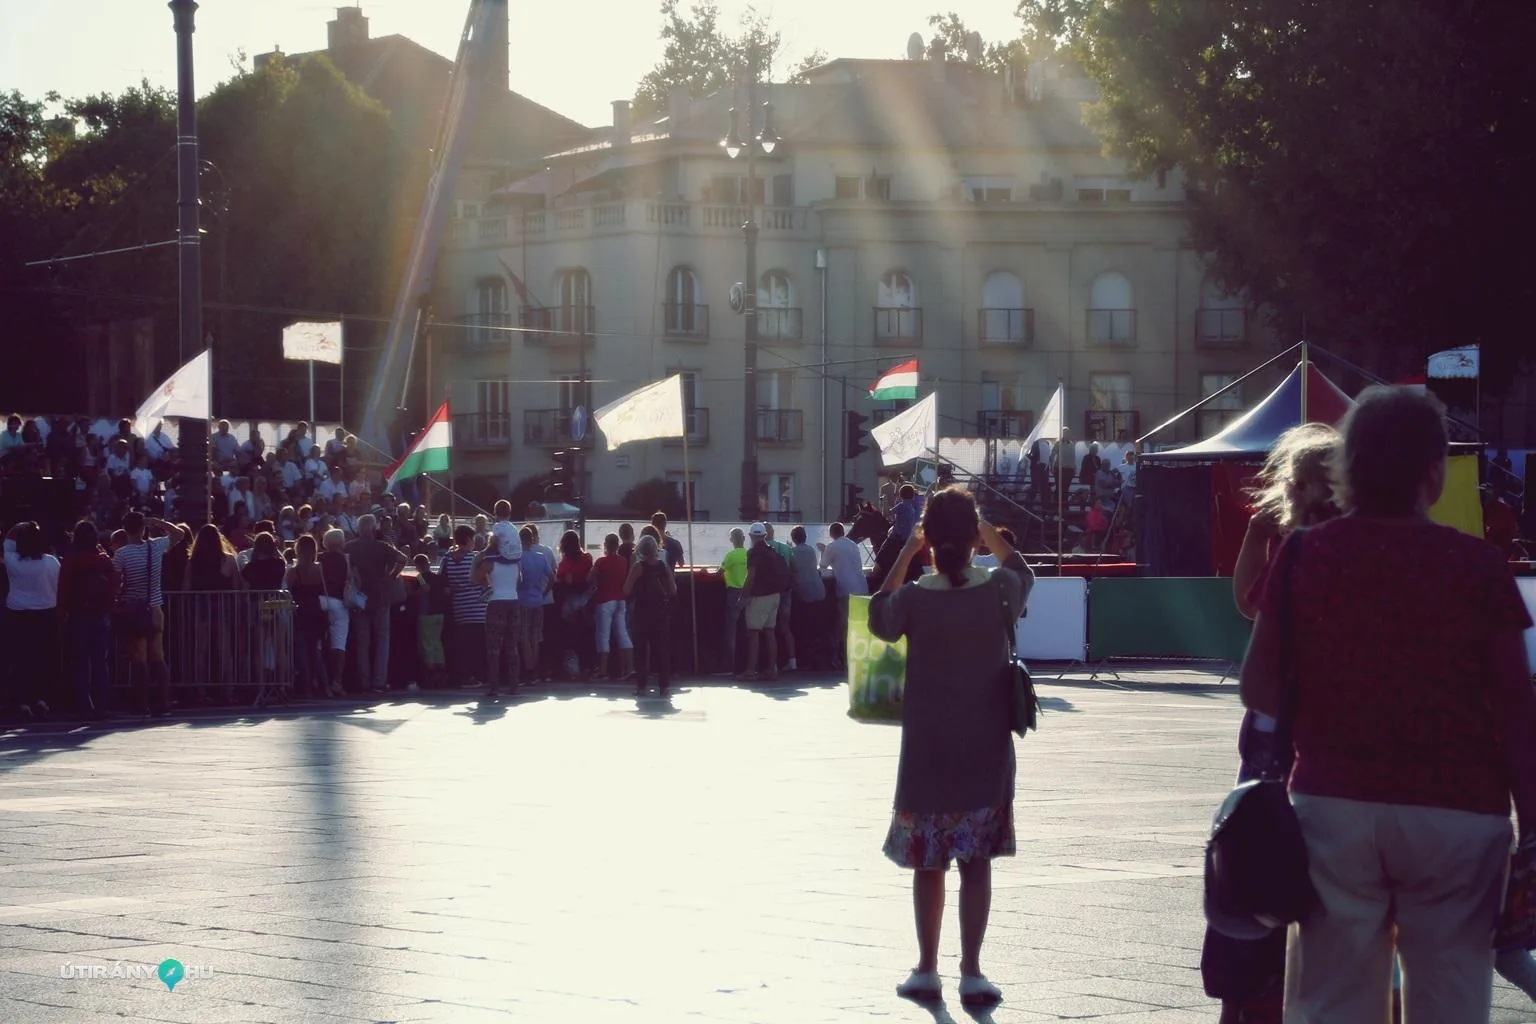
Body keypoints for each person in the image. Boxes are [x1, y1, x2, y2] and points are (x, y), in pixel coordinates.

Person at [1239, 387, 1536, 1022]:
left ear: (1349, 470)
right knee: (1451, 1000)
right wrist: (1533, 821)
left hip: (1334, 804)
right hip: (1459, 813)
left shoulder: (1303, 556)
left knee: (1331, 1001)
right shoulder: (1479, 566)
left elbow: (1257, 687)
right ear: (1434, 473)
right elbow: (1517, 709)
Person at [868, 487, 1033, 1008]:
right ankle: (973, 972)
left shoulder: (916, 598)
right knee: (976, 863)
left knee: (929, 864)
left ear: (931, 541)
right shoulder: (999, 591)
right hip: (985, 751)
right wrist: (983, 529)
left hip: (927, 754)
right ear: (973, 539)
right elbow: (1022, 570)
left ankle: (926, 968)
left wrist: (906, 551)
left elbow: (878, 615)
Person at [57, 519, 117, 718]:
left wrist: (64, 609)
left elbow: (64, 587)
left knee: (81, 662)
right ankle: (104, 704)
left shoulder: (71, 560)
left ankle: (84, 705)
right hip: (100, 614)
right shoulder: (103, 560)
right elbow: (114, 585)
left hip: (78, 613)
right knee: (101, 661)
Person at [4, 521, 61, 721]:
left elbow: (7, 541)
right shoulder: (52, 562)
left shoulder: (13, 561)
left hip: (19, 613)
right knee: (43, 658)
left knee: (21, 659)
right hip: (46, 613)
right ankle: (41, 699)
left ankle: (22, 701)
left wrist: (20, 526)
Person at [346, 514, 407, 694]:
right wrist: (392, 576)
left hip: (359, 596)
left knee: (362, 641)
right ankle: (379, 680)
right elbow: (402, 558)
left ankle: (363, 681)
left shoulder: (350, 546)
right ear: (373, 529)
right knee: (382, 639)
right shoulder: (382, 546)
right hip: (381, 596)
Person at [475, 507, 522, 700]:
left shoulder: (490, 562)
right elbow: (519, 580)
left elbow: (475, 578)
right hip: (513, 601)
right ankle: (514, 684)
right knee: (512, 646)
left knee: (494, 648)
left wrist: (478, 561)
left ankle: (494, 686)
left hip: (496, 603)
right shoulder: (516, 561)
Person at [624, 533, 677, 697]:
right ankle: (664, 687)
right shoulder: (663, 566)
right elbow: (673, 589)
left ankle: (642, 687)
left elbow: (626, 589)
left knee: (641, 651)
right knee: (662, 650)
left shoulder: (638, 567)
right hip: (661, 611)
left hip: (641, 611)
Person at [737, 522, 788, 681]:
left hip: (759, 596)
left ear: (751, 536)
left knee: (754, 633)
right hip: (775, 596)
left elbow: (751, 576)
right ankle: (772, 669)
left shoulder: (753, 553)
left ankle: (751, 671)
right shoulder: (772, 551)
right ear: (765, 535)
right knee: (770, 632)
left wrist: (743, 596)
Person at [440, 524, 486, 687]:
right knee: (477, 645)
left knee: (463, 644)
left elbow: (442, 580)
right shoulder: (475, 557)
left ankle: (464, 676)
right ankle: (475, 676)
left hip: (459, 608)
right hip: (477, 609)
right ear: (467, 540)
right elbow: (484, 580)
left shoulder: (447, 559)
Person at [819, 521, 869, 669]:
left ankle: (847, 659)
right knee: (860, 624)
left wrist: (823, 550)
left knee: (845, 626)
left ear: (831, 534)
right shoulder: (853, 544)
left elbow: (822, 566)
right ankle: (861, 656)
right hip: (862, 588)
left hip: (846, 590)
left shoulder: (833, 547)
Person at [286, 535, 330, 698]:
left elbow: (288, 591)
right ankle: (325, 686)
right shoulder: (319, 569)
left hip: (300, 611)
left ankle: (306, 688)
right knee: (315, 651)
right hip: (316, 610)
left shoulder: (294, 571)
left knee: (302, 650)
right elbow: (323, 590)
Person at [590, 533, 633, 681]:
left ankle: (602, 671)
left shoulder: (601, 562)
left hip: (604, 600)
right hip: (620, 599)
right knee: (623, 633)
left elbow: (590, 578)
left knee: (603, 635)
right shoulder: (623, 561)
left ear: (606, 545)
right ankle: (629, 668)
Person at [515, 526, 552, 687]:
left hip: (522, 600)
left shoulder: (518, 558)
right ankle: (534, 671)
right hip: (538, 600)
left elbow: (517, 580)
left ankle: (527, 671)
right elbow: (552, 577)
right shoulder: (541, 557)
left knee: (524, 638)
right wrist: (543, 593)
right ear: (532, 540)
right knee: (535, 638)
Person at [316, 529, 351, 696]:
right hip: (338, 601)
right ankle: (337, 681)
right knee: (339, 644)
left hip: (321, 599)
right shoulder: (345, 560)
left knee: (319, 643)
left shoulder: (320, 559)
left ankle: (320, 680)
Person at [789, 525, 826, 670]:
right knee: (816, 628)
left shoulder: (792, 552)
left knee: (803, 628)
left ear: (793, 538)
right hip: (818, 591)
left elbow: (792, 570)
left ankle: (804, 658)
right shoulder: (811, 550)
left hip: (803, 594)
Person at [525, 524, 559, 681]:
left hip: (527, 601)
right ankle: (546, 670)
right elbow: (554, 573)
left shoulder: (521, 554)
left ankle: (531, 670)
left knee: (528, 637)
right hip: (546, 599)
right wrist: (545, 592)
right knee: (545, 638)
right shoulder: (547, 552)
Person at [412, 553, 448, 690]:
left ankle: (431, 672)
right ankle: (441, 670)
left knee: (427, 643)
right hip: (440, 613)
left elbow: (423, 590)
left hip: (426, 613)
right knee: (437, 641)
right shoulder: (438, 577)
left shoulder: (420, 577)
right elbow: (447, 591)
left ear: (417, 566)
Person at [764, 523, 797, 672]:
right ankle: (792, 660)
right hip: (786, 591)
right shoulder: (785, 548)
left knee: (768, 628)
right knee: (785, 626)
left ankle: (772, 664)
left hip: (768, 592)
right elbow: (795, 569)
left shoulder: (760, 549)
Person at [719, 527, 748, 675]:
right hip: (747, 593)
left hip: (733, 593)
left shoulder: (731, 555)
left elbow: (719, 571)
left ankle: (730, 666)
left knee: (731, 630)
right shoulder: (748, 554)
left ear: (731, 540)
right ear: (744, 538)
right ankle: (746, 664)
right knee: (747, 629)